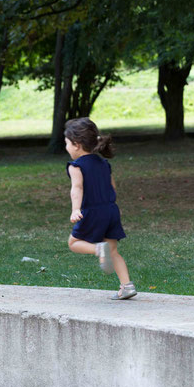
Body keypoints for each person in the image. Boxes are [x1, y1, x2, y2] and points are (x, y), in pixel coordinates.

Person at [64, 117, 136, 300]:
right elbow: (112, 187)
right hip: (111, 210)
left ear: (77, 145)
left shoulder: (76, 166)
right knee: (113, 251)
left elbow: (77, 189)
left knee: (73, 243)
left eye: (67, 144)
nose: (66, 148)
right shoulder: (104, 163)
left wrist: (75, 210)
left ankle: (97, 249)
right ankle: (127, 286)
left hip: (92, 211)